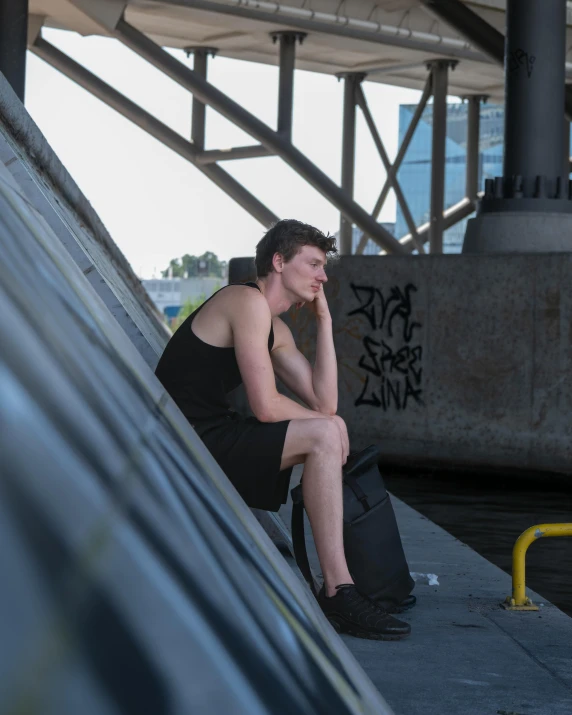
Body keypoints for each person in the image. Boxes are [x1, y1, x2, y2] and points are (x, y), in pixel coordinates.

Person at [155, 219, 410, 640]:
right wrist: (330, 426)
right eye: (313, 264)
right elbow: (267, 407)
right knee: (326, 433)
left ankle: (340, 586)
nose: (323, 275)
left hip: (210, 433)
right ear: (278, 261)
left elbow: (324, 401)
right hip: (182, 441)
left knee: (327, 428)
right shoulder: (244, 300)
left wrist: (325, 320)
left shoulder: (277, 328)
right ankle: (338, 590)